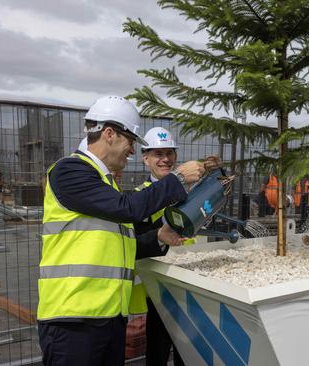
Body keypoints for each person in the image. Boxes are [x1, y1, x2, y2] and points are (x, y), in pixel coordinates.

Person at [37, 96, 206, 366]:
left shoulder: (105, 186)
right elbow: (129, 208)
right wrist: (179, 178)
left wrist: (158, 238)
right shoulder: (69, 171)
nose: (131, 150)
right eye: (130, 141)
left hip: (109, 317)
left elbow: (118, 247)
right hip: (73, 320)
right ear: (109, 134)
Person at [131, 126, 221, 366]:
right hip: (159, 289)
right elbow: (139, 243)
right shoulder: (140, 197)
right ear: (145, 158)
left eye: (169, 153)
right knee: (158, 350)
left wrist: (216, 172)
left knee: (190, 352)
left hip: (192, 283)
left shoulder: (193, 190)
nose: (165, 159)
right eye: (158, 153)